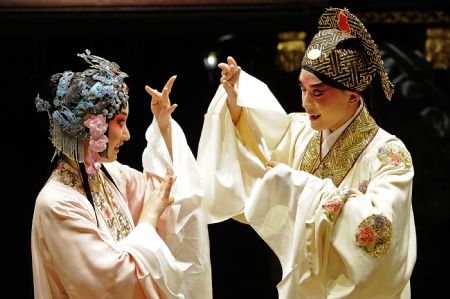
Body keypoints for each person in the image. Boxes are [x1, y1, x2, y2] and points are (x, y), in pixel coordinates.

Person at [198, 7, 416, 298]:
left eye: (318, 92)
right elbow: (257, 160)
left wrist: (300, 188)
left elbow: (380, 235)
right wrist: (238, 107)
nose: (306, 103)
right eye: (302, 89)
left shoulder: (390, 155)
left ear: (353, 95)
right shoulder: (299, 131)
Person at [32, 50, 211, 299]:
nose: (126, 135)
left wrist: (164, 127)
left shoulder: (107, 174)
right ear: (92, 125)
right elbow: (112, 282)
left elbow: (170, 190)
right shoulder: (57, 203)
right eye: (120, 121)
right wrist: (148, 218)